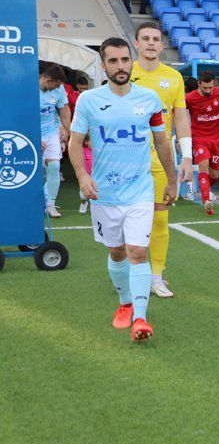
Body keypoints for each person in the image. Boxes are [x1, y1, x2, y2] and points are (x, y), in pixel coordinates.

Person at [68, 37, 176, 343]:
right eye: (113, 61)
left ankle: (141, 318)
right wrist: (82, 175)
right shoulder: (88, 101)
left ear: (132, 61)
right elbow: (75, 142)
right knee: (116, 252)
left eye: (124, 60)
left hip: (140, 191)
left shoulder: (150, 99)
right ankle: (125, 303)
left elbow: (161, 141)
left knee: (137, 253)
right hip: (105, 194)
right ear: (103, 66)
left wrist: (172, 179)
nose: (120, 66)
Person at [131, 21, 193, 299]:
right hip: (127, 159)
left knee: (159, 220)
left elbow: (180, 117)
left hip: (161, 158)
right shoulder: (124, 72)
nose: (151, 43)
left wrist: (187, 157)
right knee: (127, 221)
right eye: (145, 38)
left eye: (156, 38)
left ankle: (156, 277)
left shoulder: (174, 77)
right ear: (136, 43)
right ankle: (131, 272)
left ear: (162, 43)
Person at [185, 71, 219, 215]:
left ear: (214, 84)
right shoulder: (190, 98)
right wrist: (182, 137)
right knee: (203, 165)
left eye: (211, 87)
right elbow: (177, 113)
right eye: (205, 88)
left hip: (216, 139)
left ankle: (206, 189)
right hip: (199, 138)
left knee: (214, 175)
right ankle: (206, 200)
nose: (208, 91)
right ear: (199, 84)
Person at [38, 63, 71, 219]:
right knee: (33, 170)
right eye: (55, 85)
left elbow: (64, 111)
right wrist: (34, 137)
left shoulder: (59, 88)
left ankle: (49, 204)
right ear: (47, 79)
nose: (56, 88)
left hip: (51, 130)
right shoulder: (28, 87)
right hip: (30, 131)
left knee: (54, 165)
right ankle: (33, 202)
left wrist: (68, 131)